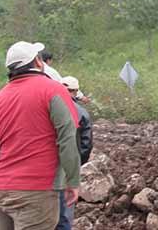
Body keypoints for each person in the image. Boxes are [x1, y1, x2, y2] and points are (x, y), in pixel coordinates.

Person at [0, 41, 81, 230]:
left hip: (3, 192)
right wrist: (73, 180)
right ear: (38, 61)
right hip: (38, 191)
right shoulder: (53, 90)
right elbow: (67, 139)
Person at [57, 76, 94, 230]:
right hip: (70, 165)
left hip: (47, 165)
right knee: (66, 211)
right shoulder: (82, 113)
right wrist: (78, 164)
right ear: (75, 91)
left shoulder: (49, 107)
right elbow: (87, 143)